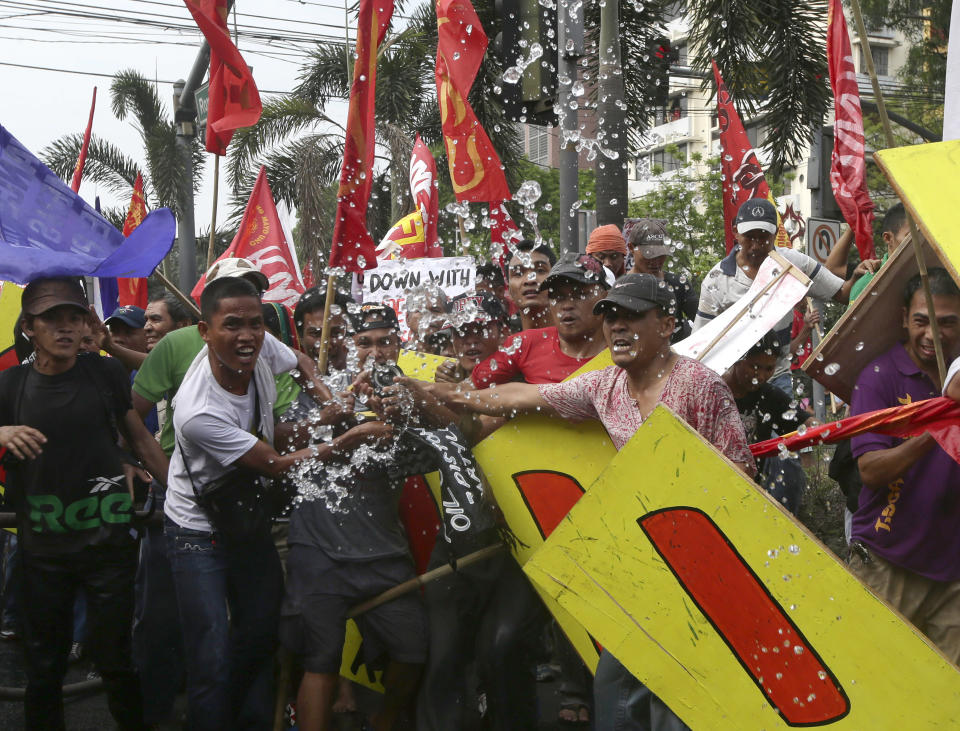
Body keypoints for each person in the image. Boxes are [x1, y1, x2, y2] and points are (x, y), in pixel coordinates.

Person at [431, 272, 754, 730]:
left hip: (700, 567)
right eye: (611, 317)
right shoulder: (606, 386)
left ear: (666, 324)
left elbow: (739, 478)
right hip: (644, 565)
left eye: (631, 317)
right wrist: (454, 395)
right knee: (620, 694)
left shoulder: (700, 386)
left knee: (674, 703)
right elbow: (527, 395)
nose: (617, 327)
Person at [0, 278, 169, 731]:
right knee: (43, 668)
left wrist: (178, 492)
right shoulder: (10, 384)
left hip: (107, 544)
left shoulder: (105, 372)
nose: (66, 327)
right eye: (52, 318)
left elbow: (138, 436)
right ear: (29, 327)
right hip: (42, 550)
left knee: (116, 660)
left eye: (75, 316)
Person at [164, 277, 329, 731]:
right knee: (211, 647)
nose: (247, 336)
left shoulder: (260, 347)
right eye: (231, 325)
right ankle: (209, 715)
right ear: (204, 331)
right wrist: (348, 437)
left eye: (255, 323)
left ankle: (237, 714)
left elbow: (300, 361)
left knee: (259, 631)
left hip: (245, 514)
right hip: (196, 531)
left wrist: (330, 403)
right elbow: (275, 463)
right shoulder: (197, 410)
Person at [280, 303, 428, 731]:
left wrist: (396, 416)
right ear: (348, 344)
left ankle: (382, 722)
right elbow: (274, 438)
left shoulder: (408, 395)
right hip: (319, 550)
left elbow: (434, 450)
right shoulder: (312, 390)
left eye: (385, 342)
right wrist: (326, 420)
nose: (375, 351)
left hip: (382, 551)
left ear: (399, 345)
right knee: (320, 659)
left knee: (413, 649)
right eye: (365, 342)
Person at [847, 268, 960, 663]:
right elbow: (871, 471)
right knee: (875, 682)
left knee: (947, 700)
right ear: (903, 320)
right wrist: (942, 425)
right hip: (887, 560)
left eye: (947, 323)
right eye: (922, 321)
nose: (933, 334)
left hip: (952, 572)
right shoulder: (880, 377)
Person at [694, 198, 878, 396]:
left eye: (763, 237)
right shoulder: (717, 279)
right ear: (736, 233)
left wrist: (857, 278)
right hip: (731, 382)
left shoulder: (794, 263)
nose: (756, 245)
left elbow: (842, 294)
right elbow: (700, 347)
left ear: (775, 234)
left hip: (777, 378)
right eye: (750, 237)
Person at [470, 253, 612, 389]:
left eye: (580, 295)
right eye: (558, 297)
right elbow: (462, 393)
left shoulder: (626, 352)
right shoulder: (524, 344)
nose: (567, 305)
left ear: (605, 298)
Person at [722, 333, 817, 514]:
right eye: (755, 367)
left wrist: (839, 429)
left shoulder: (769, 395)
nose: (762, 375)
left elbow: (807, 423)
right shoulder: (714, 391)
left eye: (769, 368)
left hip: (750, 493)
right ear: (738, 358)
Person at [627, 218, 698, 342]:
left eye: (660, 254)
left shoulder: (679, 284)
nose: (655, 261)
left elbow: (703, 324)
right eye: (649, 254)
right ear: (631, 248)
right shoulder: (620, 288)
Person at [434, 292, 508, 384]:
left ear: (503, 333)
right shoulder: (449, 379)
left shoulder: (525, 378)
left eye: (480, 330)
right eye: (461, 331)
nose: (470, 341)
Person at [847, 203, 911, 305]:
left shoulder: (932, 273)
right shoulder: (867, 284)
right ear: (888, 238)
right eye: (910, 237)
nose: (918, 242)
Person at [294, 286, 354, 375]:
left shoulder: (365, 383)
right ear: (300, 337)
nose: (326, 347)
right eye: (315, 334)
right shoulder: (284, 385)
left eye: (336, 333)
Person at [506, 239, 556, 331]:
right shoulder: (506, 345)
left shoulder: (579, 341)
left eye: (540, 270)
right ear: (509, 291)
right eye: (518, 273)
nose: (530, 280)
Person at [404, 285, 450, 353]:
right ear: (408, 319)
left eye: (435, 310)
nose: (428, 316)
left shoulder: (458, 358)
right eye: (421, 311)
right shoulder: (394, 355)